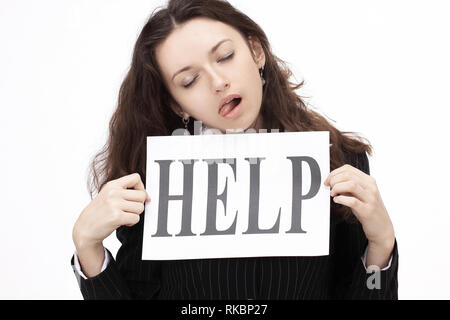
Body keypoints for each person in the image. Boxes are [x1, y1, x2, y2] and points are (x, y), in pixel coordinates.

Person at [71, 0, 398, 300]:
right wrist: (89, 250)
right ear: (176, 103)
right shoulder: (155, 183)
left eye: (225, 56)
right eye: (188, 80)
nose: (217, 81)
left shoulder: (338, 161)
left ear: (256, 51)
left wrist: (381, 248)